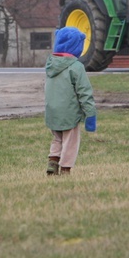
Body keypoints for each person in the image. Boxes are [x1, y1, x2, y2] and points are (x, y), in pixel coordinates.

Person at [44, 27, 97, 176]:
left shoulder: (50, 64)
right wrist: (90, 114)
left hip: (52, 111)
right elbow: (84, 92)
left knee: (57, 138)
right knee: (70, 141)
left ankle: (52, 162)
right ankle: (65, 169)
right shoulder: (76, 67)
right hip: (69, 112)